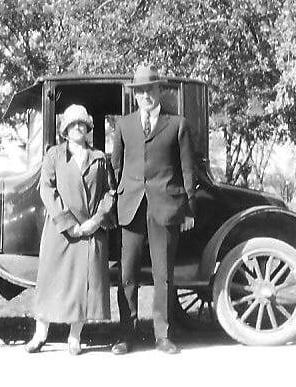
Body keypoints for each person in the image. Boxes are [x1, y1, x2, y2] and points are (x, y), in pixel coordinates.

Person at [111, 64, 197, 355]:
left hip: (166, 207)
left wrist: (189, 210)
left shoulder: (177, 125)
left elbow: (188, 170)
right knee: (128, 273)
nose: (145, 95)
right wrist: (115, 202)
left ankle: (163, 336)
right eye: (140, 91)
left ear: (159, 91)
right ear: (134, 95)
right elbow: (116, 168)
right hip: (131, 207)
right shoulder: (123, 125)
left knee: (164, 274)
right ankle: (126, 334)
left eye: (150, 89)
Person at [25, 104, 116, 355]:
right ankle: (39, 335)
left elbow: (109, 193)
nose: (78, 127)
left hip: (90, 232)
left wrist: (95, 221)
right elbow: (47, 189)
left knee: (82, 287)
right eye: (73, 123)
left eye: (82, 123)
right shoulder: (54, 155)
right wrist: (68, 224)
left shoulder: (99, 158)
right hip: (60, 231)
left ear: (88, 128)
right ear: (65, 129)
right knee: (50, 282)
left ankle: (74, 338)